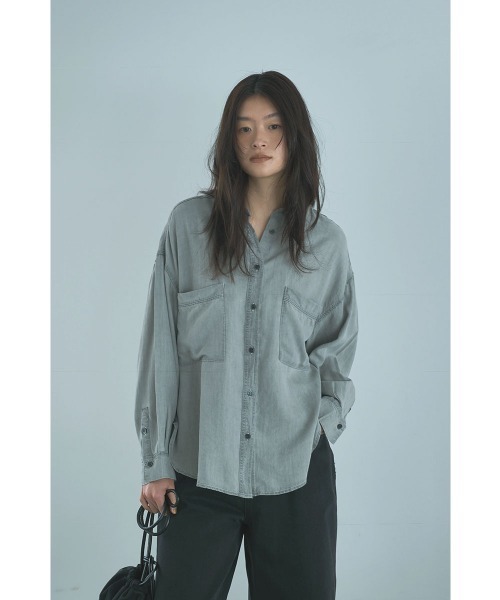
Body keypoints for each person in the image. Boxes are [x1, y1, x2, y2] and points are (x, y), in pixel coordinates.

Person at [135, 70, 359, 599]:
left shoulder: (327, 244)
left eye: (273, 126)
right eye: (244, 128)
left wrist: (319, 428)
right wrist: (156, 461)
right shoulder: (188, 228)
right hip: (197, 474)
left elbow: (336, 353)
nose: (259, 139)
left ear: (295, 136)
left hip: (295, 474)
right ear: (229, 139)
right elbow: (161, 349)